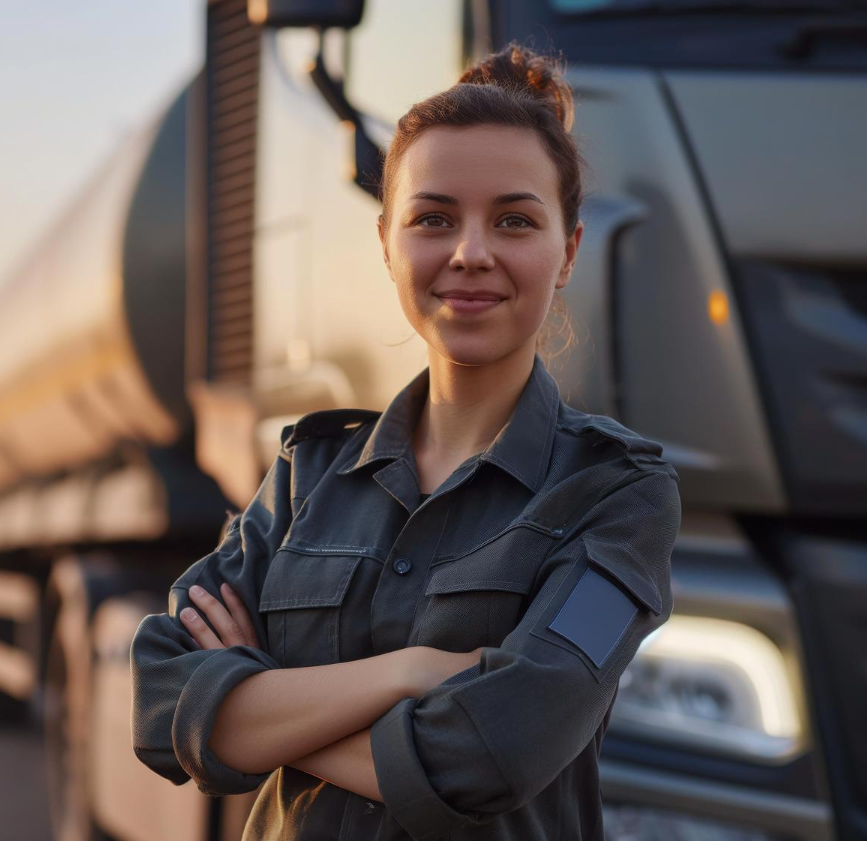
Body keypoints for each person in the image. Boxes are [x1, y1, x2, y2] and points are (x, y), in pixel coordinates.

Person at [130, 41, 682, 841]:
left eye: (514, 220)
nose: (470, 253)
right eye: (434, 218)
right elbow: (159, 698)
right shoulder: (305, 472)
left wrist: (262, 699)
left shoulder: (615, 493)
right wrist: (410, 675)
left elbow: (492, 754)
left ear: (566, 252)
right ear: (387, 241)